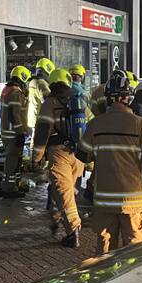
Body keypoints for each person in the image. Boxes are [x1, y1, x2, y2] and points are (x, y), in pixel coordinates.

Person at [77, 71, 142, 258]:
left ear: (108, 99)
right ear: (128, 98)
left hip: (104, 201)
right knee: (135, 250)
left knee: (104, 251)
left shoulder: (95, 125)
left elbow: (83, 156)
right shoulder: (140, 125)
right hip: (134, 201)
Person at [33, 68, 88, 248]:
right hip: (78, 154)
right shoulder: (78, 100)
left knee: (64, 195)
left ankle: (73, 232)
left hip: (59, 154)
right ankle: (59, 219)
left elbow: (43, 129)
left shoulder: (50, 102)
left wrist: (37, 155)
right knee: (67, 191)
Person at [1, 66, 31, 196]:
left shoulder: (7, 90)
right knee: (13, 160)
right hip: (14, 133)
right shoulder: (16, 93)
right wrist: (20, 132)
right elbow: (16, 114)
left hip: (7, 132)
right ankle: (9, 187)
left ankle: (15, 183)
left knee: (16, 159)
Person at [27, 57, 54, 130]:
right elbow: (47, 102)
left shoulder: (33, 81)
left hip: (33, 119)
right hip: (40, 121)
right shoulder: (41, 83)